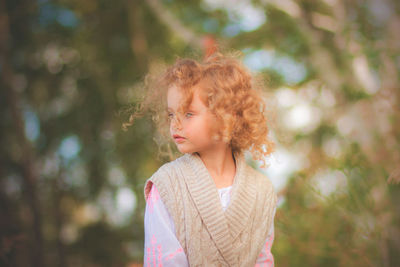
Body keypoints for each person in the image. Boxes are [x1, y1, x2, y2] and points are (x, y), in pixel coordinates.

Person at [124, 51, 278, 266]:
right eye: (171, 114)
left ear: (225, 117)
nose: (175, 124)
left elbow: (263, 260)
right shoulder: (167, 185)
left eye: (188, 114)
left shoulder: (262, 190)